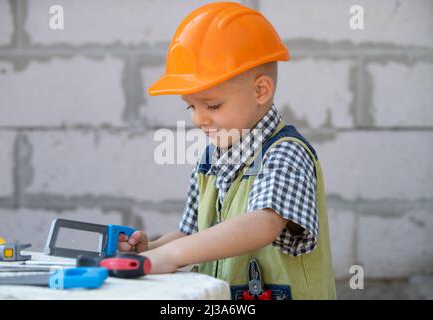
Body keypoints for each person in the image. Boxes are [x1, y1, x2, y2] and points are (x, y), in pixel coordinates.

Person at [118, 2, 336, 300]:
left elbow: (262, 223)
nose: (198, 119)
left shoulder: (286, 153)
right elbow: (191, 235)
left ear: (261, 91)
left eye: (213, 105)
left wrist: (171, 257)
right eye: (190, 106)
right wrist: (152, 250)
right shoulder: (211, 159)